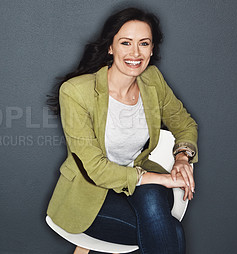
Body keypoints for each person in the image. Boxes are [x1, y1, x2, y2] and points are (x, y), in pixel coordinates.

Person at [46, 7, 198, 254]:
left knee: (157, 219)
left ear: (152, 49)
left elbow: (185, 123)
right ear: (110, 47)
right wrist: (165, 180)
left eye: (144, 43)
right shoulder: (75, 92)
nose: (135, 53)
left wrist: (182, 157)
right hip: (90, 192)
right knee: (168, 231)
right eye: (125, 43)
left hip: (139, 180)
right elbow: (94, 168)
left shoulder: (152, 80)